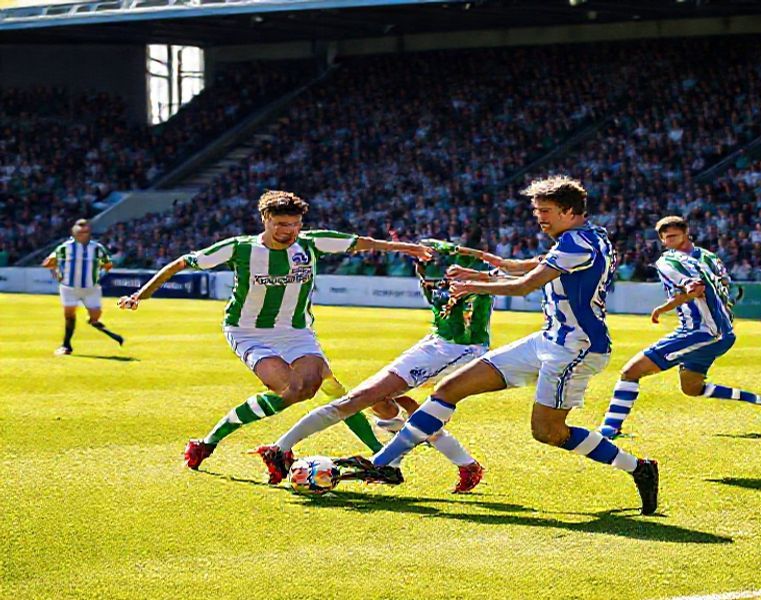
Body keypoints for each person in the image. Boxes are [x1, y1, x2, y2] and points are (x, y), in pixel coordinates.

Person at [336, 176, 660, 515]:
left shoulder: (576, 244)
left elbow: (525, 287)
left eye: (545, 211)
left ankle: (638, 467)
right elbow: (527, 267)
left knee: (549, 432)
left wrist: (476, 286)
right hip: (548, 339)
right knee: (449, 388)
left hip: (575, 349)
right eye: (537, 212)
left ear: (568, 211)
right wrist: (486, 272)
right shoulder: (585, 236)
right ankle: (385, 463)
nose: (540, 219)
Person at [117, 190, 432, 470]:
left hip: (296, 332)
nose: (289, 231)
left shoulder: (310, 244)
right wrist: (139, 295)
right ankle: (207, 443)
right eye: (281, 224)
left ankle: (378, 455)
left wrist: (410, 249)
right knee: (292, 391)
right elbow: (181, 263)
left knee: (322, 388)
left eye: (294, 224)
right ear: (265, 219)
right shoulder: (239, 249)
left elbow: (365, 244)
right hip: (248, 331)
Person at [252, 238, 493, 493]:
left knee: (359, 399)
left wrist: (451, 251)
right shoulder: (434, 276)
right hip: (434, 343)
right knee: (384, 404)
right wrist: (423, 267)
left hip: (461, 349)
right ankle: (461, 464)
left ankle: (279, 449)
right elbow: (436, 295)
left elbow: (501, 272)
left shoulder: (479, 272)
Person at [596, 216, 761, 439]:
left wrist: (664, 308)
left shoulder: (669, 261)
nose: (669, 241)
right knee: (692, 388)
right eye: (666, 238)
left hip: (700, 332)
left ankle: (609, 429)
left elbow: (696, 289)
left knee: (631, 372)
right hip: (721, 333)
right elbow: (726, 288)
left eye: (673, 236)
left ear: (686, 234)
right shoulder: (709, 258)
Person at [42, 218, 123, 355]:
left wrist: (98, 272)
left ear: (89, 233)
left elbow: (108, 264)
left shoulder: (97, 248)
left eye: (85, 231)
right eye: (80, 231)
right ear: (74, 233)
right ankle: (66, 345)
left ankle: (93, 321)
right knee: (69, 314)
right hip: (69, 287)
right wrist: (56, 273)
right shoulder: (65, 247)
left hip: (91, 288)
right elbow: (48, 263)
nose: (82, 234)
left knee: (95, 316)